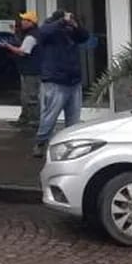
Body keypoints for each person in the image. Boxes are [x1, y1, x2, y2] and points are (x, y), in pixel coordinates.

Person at [33, 10, 91, 158]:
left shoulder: (71, 31)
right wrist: (61, 22)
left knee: (73, 117)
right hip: (55, 80)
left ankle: (71, 145)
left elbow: (84, 37)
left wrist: (76, 26)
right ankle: (41, 142)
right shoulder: (48, 29)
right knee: (50, 115)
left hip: (73, 80)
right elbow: (43, 32)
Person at [0, 11, 42, 129]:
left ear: (31, 22)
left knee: (31, 96)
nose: (22, 22)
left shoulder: (32, 36)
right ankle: (25, 119)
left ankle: (35, 121)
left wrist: (8, 46)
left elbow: (22, 52)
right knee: (25, 96)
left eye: (25, 20)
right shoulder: (29, 34)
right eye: (22, 20)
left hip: (31, 71)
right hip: (27, 70)